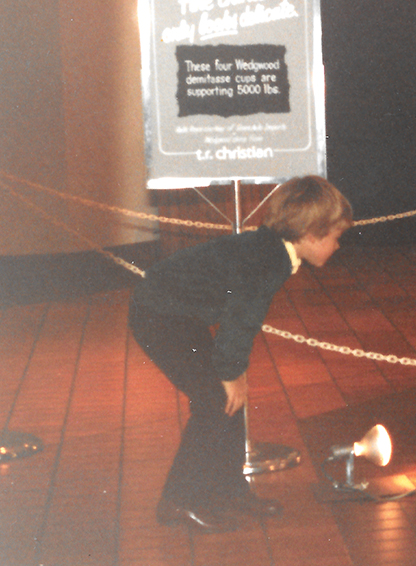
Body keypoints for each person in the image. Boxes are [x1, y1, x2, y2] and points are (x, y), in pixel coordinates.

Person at [129, 175, 353, 533]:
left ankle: (228, 489)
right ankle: (178, 500)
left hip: (180, 311)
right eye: (336, 237)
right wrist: (231, 372)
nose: (338, 246)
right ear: (312, 234)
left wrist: (234, 372)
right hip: (159, 314)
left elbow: (238, 319)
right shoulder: (267, 262)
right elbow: (241, 321)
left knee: (230, 398)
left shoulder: (270, 248)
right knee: (215, 400)